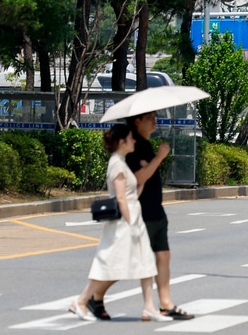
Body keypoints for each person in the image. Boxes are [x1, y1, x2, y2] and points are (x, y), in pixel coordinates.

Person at [71, 123, 170, 322]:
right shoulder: (116, 163)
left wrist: (141, 181)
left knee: (146, 262)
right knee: (111, 264)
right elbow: (121, 198)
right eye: (131, 139)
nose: (134, 141)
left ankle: (149, 306)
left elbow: (132, 193)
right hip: (126, 221)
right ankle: (81, 300)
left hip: (134, 216)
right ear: (122, 142)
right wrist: (130, 222)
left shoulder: (122, 162)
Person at [129, 111, 194, 320]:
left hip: (156, 209)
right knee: (134, 260)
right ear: (137, 121)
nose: (154, 120)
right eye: (150, 117)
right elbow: (139, 178)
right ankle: (93, 296)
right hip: (142, 211)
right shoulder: (134, 146)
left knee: (163, 255)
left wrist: (157, 156)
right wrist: (159, 157)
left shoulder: (146, 144)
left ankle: (166, 303)